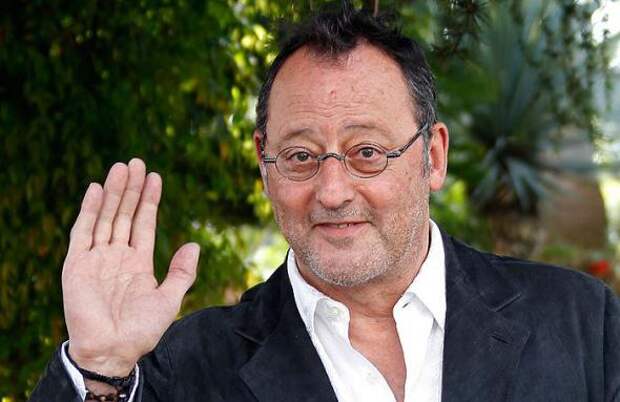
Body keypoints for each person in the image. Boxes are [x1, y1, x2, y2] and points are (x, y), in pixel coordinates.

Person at [30, 4, 619, 402]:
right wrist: (99, 367)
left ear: (433, 157)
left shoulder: (580, 323)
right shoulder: (186, 367)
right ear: (264, 163)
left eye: (367, 152)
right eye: (300, 156)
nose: (332, 192)